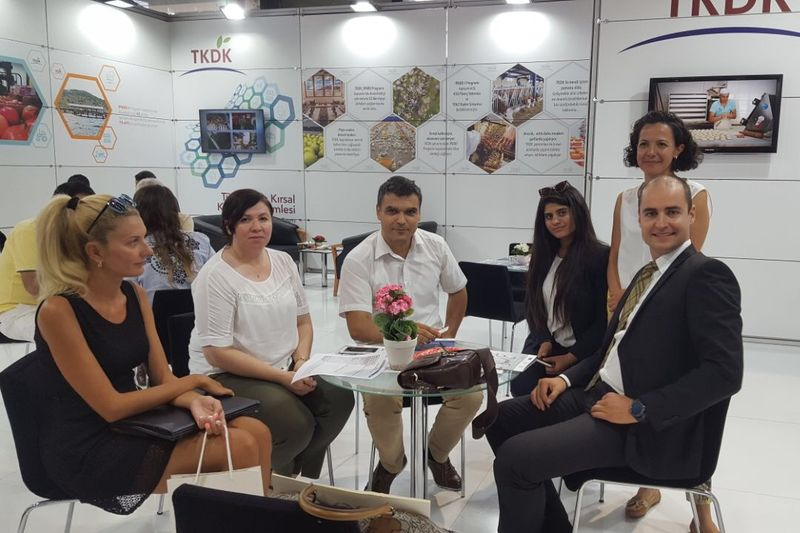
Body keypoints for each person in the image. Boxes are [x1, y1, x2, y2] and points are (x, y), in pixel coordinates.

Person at [486, 176, 743, 533]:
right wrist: (565, 380)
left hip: (644, 427)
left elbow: (724, 373)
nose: (661, 223)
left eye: (672, 212)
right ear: (639, 219)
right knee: (498, 419)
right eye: (651, 213)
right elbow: (612, 350)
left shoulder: (705, 275)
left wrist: (640, 408)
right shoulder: (648, 274)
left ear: (692, 215)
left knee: (516, 461)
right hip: (597, 395)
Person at [32, 193, 272, 514]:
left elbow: (162, 377)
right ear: (95, 252)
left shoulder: (133, 294)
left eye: (144, 238)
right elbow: (111, 407)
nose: (147, 250)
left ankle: (259, 521)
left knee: (258, 432)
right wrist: (194, 382)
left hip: (134, 423)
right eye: (133, 242)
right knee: (240, 445)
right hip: (87, 446)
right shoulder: (58, 311)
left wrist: (194, 401)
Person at [188, 188, 353, 478]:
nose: (257, 227)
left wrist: (300, 362)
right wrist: (281, 378)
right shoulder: (214, 277)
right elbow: (217, 353)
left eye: (263, 218)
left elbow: (303, 322)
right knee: (294, 423)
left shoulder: (283, 261)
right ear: (229, 226)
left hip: (285, 366)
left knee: (339, 398)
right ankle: (273, 481)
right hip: (227, 374)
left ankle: (290, 476)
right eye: (246, 219)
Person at [338, 175, 482, 494]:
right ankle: (391, 464)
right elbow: (359, 326)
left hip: (433, 352)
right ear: (378, 212)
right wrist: (405, 333)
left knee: (471, 395)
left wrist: (450, 334)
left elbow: (458, 291)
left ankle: (436, 455)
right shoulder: (359, 259)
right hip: (381, 355)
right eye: (392, 211)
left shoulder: (436, 246)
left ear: (419, 214)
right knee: (379, 401)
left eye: (410, 211)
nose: (401, 220)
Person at [609, 110, 715, 531]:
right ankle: (646, 484)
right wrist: (616, 302)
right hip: (625, 315)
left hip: (669, 319)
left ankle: (701, 511)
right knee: (632, 399)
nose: (650, 152)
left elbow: (689, 263)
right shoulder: (625, 198)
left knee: (684, 412)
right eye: (643, 144)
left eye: (661, 144)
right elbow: (615, 256)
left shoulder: (696, 194)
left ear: (678, 150)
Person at [510, 181, 609, 397]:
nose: (555, 221)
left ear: (577, 213)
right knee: (521, 386)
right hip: (547, 343)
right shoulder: (542, 255)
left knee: (552, 397)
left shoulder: (599, 257)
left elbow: (603, 322)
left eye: (562, 213)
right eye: (548, 216)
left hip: (583, 351)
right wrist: (544, 340)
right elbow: (533, 306)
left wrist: (570, 358)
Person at [0, 180, 94, 342]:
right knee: (73, 333)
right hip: (17, 311)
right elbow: (34, 286)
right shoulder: (29, 229)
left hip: (52, 305)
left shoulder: (74, 234)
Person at [131, 184, 213, 303]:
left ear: (139, 214)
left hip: (151, 313)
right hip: (200, 311)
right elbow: (217, 278)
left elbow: (127, 292)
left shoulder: (134, 249)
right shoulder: (201, 241)